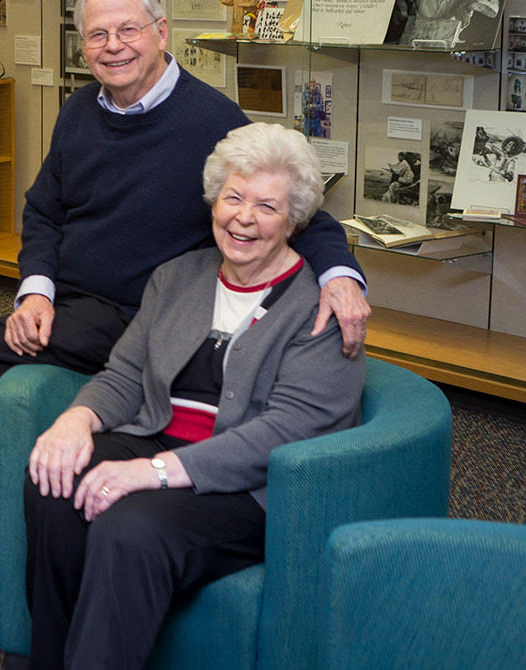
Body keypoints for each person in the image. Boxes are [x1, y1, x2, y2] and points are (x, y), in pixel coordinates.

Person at [0, 0, 369, 551]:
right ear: (81, 43)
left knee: (1, 347)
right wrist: (37, 291)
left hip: (159, 313)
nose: (113, 45)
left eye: (128, 30)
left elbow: (298, 208)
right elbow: (43, 212)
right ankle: (16, 495)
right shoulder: (76, 113)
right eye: (97, 35)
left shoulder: (209, 118)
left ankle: (83, 476)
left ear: (162, 32)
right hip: (76, 307)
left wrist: (342, 276)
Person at [23, 122, 366, 668]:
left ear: (295, 218)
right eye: (233, 197)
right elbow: (124, 375)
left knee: (130, 528)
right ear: (213, 199)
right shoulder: (177, 277)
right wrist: (77, 420)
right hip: (154, 438)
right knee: (53, 482)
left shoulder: (320, 308)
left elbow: (286, 433)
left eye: (267, 206)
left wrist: (156, 472)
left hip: (247, 488)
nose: (244, 217)